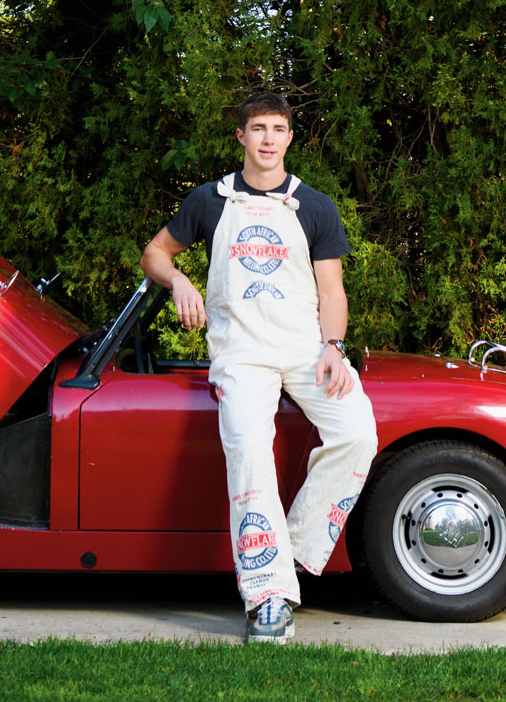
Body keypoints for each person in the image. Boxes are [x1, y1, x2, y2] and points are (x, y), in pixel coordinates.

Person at [139, 92, 378, 644]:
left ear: (290, 138)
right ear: (241, 138)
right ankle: (267, 597)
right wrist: (177, 280)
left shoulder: (314, 206)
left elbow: (332, 289)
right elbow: (155, 252)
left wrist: (334, 347)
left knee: (358, 434)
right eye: (258, 128)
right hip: (240, 355)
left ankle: (290, 551)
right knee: (249, 449)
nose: (269, 138)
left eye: (278, 128)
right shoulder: (210, 200)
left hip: (305, 351)